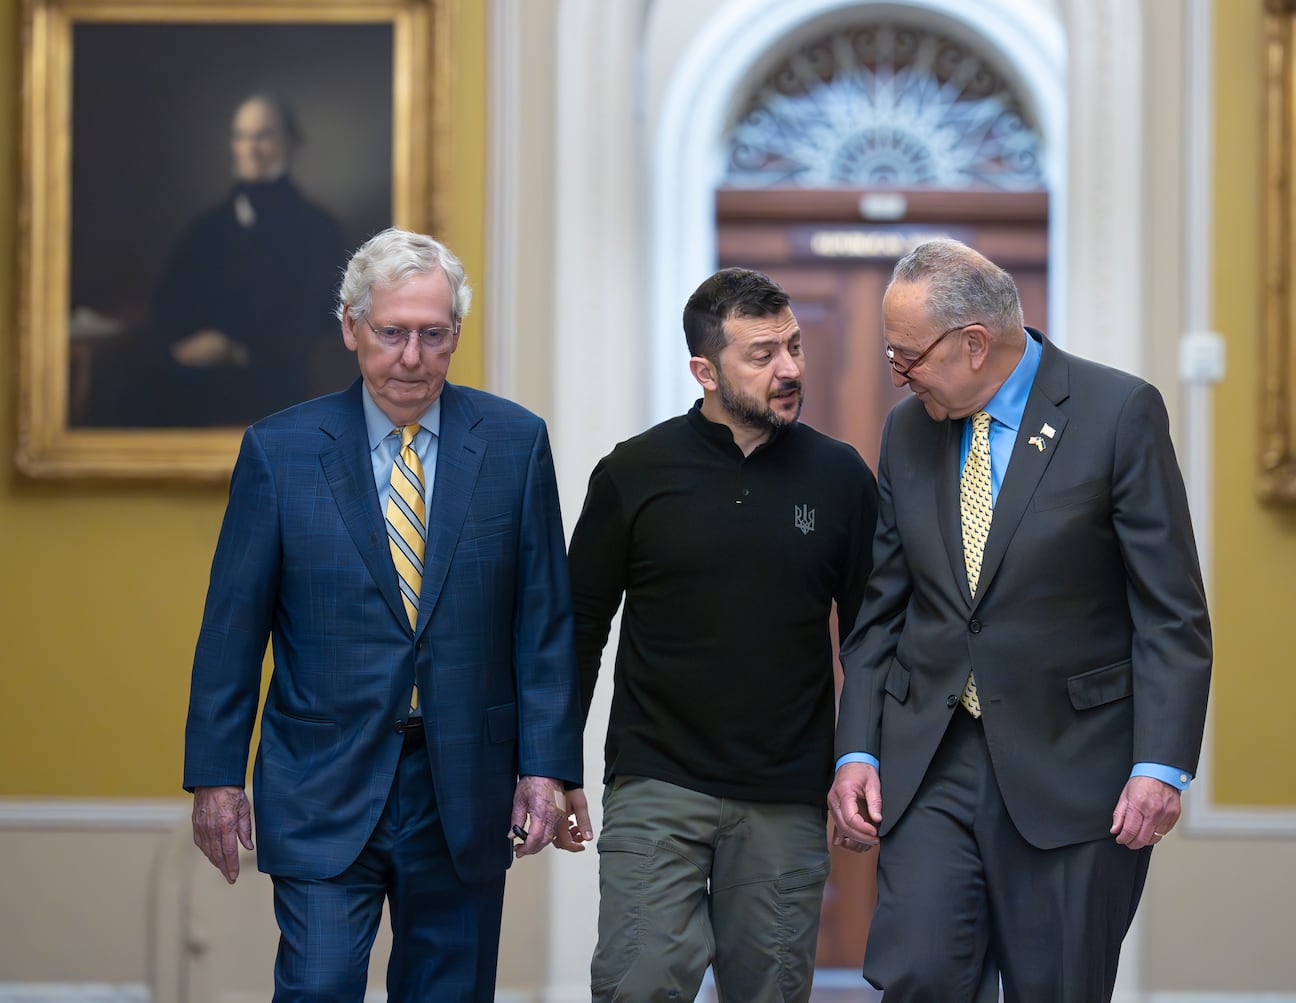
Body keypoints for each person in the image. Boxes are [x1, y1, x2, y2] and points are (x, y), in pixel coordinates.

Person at [183, 227, 582, 1001]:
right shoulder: (281, 451)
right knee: (318, 986)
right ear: (350, 328)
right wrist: (215, 777)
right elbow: (233, 628)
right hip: (322, 780)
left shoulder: (513, 443)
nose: (411, 356)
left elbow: (544, 624)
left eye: (433, 335)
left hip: (464, 785)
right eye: (392, 332)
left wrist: (546, 766)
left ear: (456, 334)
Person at [828, 239, 1213, 1001]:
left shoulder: (1116, 413)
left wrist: (1159, 765)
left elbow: (1170, 610)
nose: (897, 374)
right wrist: (857, 750)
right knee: (922, 973)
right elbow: (882, 610)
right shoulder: (909, 430)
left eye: (907, 356)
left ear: (974, 344)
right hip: (934, 758)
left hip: (1075, 769)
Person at [565, 268, 878, 1002]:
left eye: (794, 346)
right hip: (657, 779)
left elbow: (869, 640)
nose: (791, 368)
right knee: (638, 985)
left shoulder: (840, 478)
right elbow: (578, 625)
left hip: (786, 793)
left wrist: (862, 758)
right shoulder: (634, 471)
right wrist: (553, 764)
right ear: (705, 370)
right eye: (763, 354)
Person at [148, 92, 351, 426]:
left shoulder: (318, 229)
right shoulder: (205, 227)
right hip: (194, 382)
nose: (251, 148)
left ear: (290, 142)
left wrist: (238, 350)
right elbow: (169, 301)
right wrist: (184, 345)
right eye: (242, 137)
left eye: (263, 136)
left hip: (278, 383)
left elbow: (322, 318)